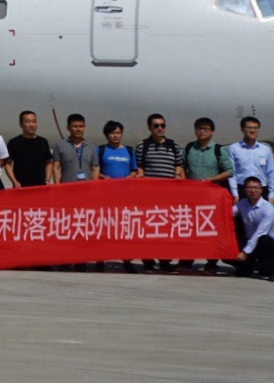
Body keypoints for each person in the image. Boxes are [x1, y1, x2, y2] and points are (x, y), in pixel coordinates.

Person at [182, 116, 235, 273]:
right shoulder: (189, 148)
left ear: (212, 132)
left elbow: (230, 171)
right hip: (192, 198)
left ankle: (211, 263)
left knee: (212, 231)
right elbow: (181, 167)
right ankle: (186, 260)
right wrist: (184, 183)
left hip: (212, 199)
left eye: (205, 129)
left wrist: (213, 179)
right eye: (199, 129)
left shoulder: (218, 150)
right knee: (190, 229)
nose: (202, 132)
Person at [134, 113, 184, 270]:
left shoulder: (173, 145)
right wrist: (141, 177)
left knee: (167, 229)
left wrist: (177, 175)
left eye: (162, 125)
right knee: (148, 228)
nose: (160, 128)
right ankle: (148, 261)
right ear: (150, 128)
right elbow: (139, 166)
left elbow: (179, 164)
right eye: (156, 126)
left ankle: (164, 260)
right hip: (149, 196)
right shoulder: (143, 146)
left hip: (168, 196)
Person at [94, 121, 140, 272]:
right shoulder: (100, 150)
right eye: (112, 133)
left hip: (124, 197)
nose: (115, 135)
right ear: (107, 135)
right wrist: (103, 177)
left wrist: (130, 177)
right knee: (104, 229)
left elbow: (134, 170)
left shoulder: (129, 150)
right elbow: (94, 170)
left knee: (124, 229)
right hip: (105, 197)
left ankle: (127, 260)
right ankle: (100, 259)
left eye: (118, 133)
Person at [231, 176, 274, 282]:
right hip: (249, 243)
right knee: (240, 269)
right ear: (244, 190)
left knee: (263, 239)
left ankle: (271, 271)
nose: (253, 191)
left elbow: (259, 233)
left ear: (261, 190)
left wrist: (245, 252)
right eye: (249, 188)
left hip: (266, 244)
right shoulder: (242, 203)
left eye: (256, 188)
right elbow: (228, 213)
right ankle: (252, 266)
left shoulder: (268, 209)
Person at [227, 116, 274, 204]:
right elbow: (232, 173)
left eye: (255, 128)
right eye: (249, 128)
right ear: (242, 129)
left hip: (261, 190)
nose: (252, 130)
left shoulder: (265, 149)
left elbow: (271, 172)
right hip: (242, 190)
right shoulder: (234, 148)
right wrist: (235, 193)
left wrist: (272, 195)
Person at [6, 110, 50, 188]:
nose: (31, 125)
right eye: (28, 122)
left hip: (41, 186)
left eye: (34, 121)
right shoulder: (14, 142)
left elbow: (48, 163)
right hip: (21, 187)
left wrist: (47, 179)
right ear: (21, 124)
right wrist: (14, 182)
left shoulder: (43, 142)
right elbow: (8, 164)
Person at [50, 113, 96, 184]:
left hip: (87, 186)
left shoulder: (91, 147)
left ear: (84, 128)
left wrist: (95, 186)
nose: (78, 129)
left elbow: (95, 168)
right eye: (75, 126)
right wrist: (57, 187)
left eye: (81, 126)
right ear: (68, 128)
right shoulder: (60, 146)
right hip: (67, 187)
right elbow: (56, 168)